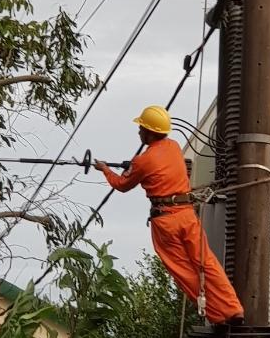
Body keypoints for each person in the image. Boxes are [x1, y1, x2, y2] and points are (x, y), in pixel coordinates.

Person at [96, 106, 245, 325]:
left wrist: (106, 170)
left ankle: (217, 315)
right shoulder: (174, 147)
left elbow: (123, 184)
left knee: (182, 270)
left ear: (149, 132)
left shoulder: (142, 161)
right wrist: (134, 168)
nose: (138, 132)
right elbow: (160, 170)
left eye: (141, 128)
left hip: (165, 221)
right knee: (206, 263)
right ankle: (233, 309)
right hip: (186, 215)